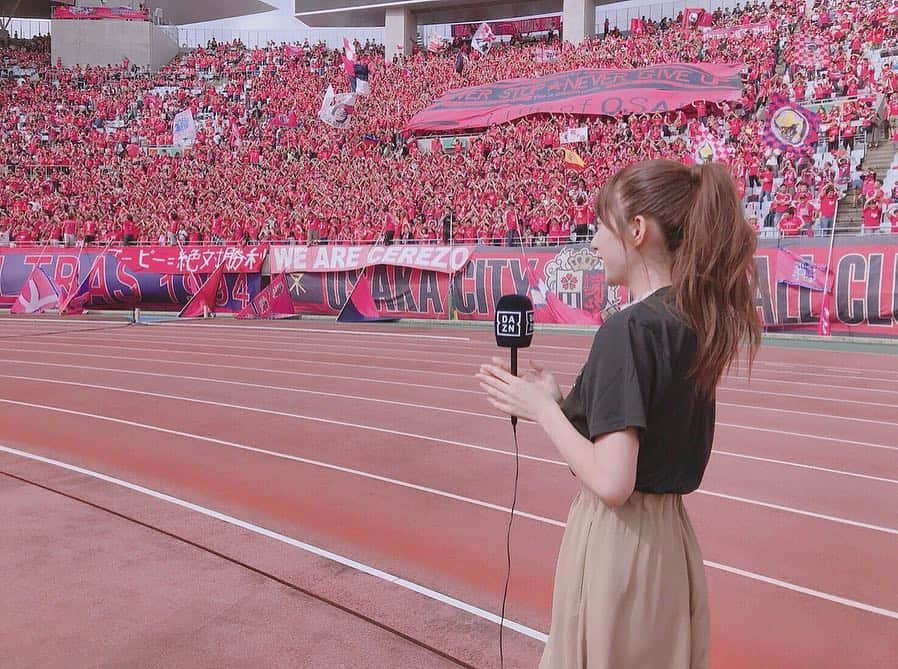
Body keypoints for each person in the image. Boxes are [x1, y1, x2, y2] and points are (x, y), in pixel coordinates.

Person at [477, 159, 761, 669]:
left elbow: (613, 482)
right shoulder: (693, 322)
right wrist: (563, 401)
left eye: (600, 226)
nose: (592, 242)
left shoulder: (627, 331)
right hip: (671, 546)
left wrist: (541, 409)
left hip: (619, 544)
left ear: (636, 230)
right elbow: (637, 444)